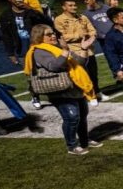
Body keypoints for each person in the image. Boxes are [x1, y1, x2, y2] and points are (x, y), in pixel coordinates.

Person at [24, 25, 100, 155]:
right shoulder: (39, 51)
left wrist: (83, 49)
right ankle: (72, 146)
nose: (53, 36)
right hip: (59, 90)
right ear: (39, 37)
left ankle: (84, 140)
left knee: (82, 116)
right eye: (49, 34)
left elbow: (79, 63)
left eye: (53, 33)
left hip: (74, 86)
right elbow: (54, 66)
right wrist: (65, 51)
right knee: (72, 117)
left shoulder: (55, 48)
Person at [53, 0, 99, 98]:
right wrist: (80, 35)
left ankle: (97, 92)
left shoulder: (83, 17)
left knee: (93, 74)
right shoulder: (59, 20)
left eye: (74, 5)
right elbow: (62, 37)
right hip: (74, 52)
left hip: (89, 50)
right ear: (64, 7)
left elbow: (93, 30)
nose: (74, 7)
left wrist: (91, 36)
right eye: (70, 5)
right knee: (79, 75)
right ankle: (83, 94)